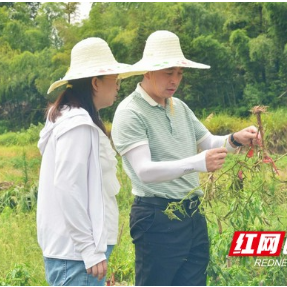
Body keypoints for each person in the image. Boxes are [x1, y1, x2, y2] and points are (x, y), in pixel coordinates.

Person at [111, 30, 260, 286]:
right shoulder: (130, 112)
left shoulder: (178, 106)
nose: (175, 80)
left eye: (179, 73)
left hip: (192, 212)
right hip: (157, 216)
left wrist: (236, 138)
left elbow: (210, 142)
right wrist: (197, 163)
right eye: (168, 72)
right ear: (148, 71)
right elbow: (144, 170)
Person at [37, 37, 130, 286]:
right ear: (95, 83)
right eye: (115, 79)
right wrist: (89, 249)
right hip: (77, 257)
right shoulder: (77, 124)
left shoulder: (73, 118)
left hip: (77, 255)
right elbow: (68, 187)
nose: (118, 85)